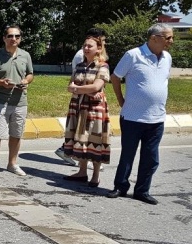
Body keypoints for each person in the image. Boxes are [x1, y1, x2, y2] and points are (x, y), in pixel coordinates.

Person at [107, 23, 174, 205]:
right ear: (154, 38)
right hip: (132, 117)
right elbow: (115, 77)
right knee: (127, 155)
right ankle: (120, 186)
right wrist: (121, 101)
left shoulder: (167, 57)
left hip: (157, 118)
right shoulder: (133, 55)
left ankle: (142, 190)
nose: (171, 41)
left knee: (151, 158)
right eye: (168, 37)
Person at [0, 25, 34, 178]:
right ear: (4, 38)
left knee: (16, 134)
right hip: (0, 101)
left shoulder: (25, 55)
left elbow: (30, 74)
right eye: (10, 36)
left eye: (17, 36)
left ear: (20, 38)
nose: (14, 39)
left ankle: (12, 164)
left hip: (20, 101)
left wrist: (26, 81)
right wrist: (0, 82)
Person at [55, 27, 107, 170]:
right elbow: (75, 84)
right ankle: (81, 168)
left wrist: (83, 90)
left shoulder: (102, 65)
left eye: (89, 46)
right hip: (79, 104)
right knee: (80, 135)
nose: (86, 48)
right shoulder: (80, 58)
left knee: (93, 137)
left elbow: (96, 86)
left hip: (93, 106)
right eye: (86, 45)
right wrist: (86, 90)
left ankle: (94, 172)